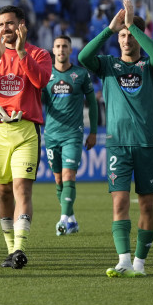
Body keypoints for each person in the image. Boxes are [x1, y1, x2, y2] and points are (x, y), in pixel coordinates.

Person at [78, 0, 153, 278]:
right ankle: (123, 260)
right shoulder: (108, 65)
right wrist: (110, 29)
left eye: (131, 34)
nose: (126, 39)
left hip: (147, 144)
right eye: (123, 35)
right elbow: (83, 58)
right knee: (119, 202)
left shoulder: (150, 67)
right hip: (118, 143)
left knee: (148, 204)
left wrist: (132, 24)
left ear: (139, 37)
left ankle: (139, 263)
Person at [0, 5, 51, 270]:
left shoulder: (39, 53)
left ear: (22, 25)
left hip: (26, 130)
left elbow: (40, 81)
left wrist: (23, 53)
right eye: (2, 24)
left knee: (21, 189)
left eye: (10, 24)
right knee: (3, 192)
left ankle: (19, 249)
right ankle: (9, 249)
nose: (5, 29)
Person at [41, 35, 97, 237]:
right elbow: (38, 102)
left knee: (68, 176)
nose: (61, 49)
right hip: (52, 135)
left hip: (73, 134)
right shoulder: (46, 76)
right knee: (58, 180)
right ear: (53, 50)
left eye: (65, 46)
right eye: (57, 46)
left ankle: (63, 220)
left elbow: (92, 104)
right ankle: (71, 219)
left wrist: (93, 132)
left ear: (70, 50)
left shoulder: (81, 74)